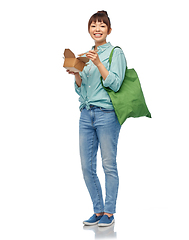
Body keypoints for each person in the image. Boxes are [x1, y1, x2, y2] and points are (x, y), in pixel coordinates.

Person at [66, 11, 127, 227]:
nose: (97, 28)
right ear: (89, 30)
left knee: (108, 165)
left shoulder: (115, 53)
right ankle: (98, 210)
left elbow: (115, 83)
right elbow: (82, 92)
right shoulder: (85, 55)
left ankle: (109, 213)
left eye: (102, 25)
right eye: (93, 25)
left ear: (109, 30)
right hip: (86, 114)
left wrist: (99, 62)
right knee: (86, 166)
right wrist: (76, 74)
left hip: (107, 114)